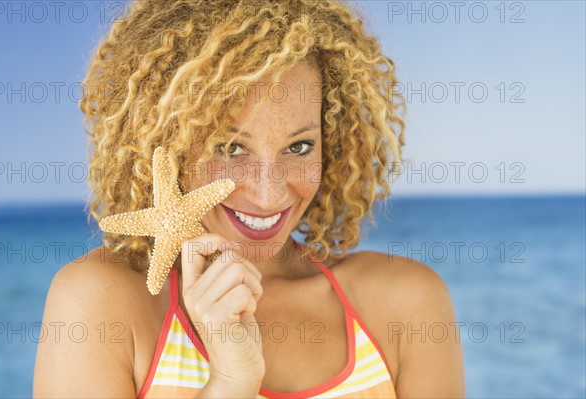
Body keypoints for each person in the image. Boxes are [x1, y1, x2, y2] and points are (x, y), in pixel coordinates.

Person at [33, 0, 465, 397]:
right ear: (163, 142)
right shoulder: (99, 306)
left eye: (298, 147)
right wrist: (230, 382)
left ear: (332, 144)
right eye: (230, 148)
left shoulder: (407, 306)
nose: (268, 192)